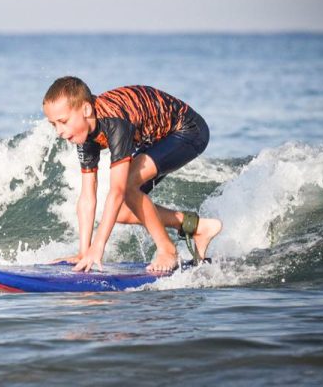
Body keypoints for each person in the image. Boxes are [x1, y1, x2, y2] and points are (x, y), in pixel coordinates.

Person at [42, 77, 222, 272]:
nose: (59, 131)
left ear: (86, 110)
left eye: (63, 121)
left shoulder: (114, 123)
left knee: (127, 187)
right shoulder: (83, 132)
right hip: (154, 139)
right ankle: (198, 227)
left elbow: (118, 190)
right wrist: (84, 252)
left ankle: (167, 250)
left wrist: (98, 247)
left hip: (188, 131)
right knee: (121, 211)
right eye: (54, 125)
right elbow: (87, 196)